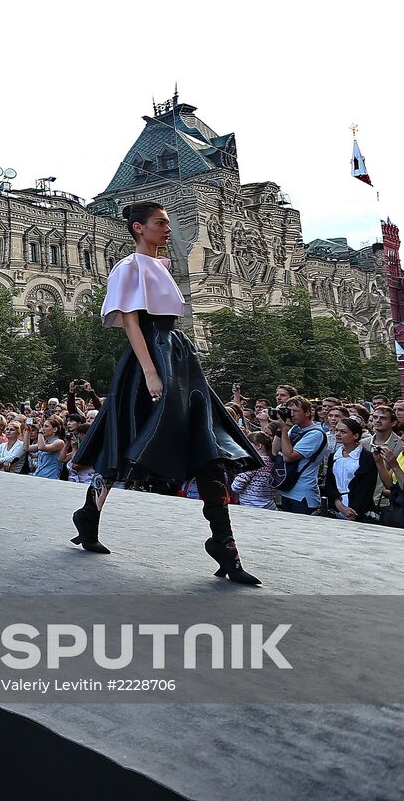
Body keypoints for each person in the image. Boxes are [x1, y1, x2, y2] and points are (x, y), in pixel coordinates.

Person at [70, 202, 263, 584]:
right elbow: (129, 320)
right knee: (126, 442)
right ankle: (89, 514)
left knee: (206, 446)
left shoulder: (162, 266)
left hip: (179, 355)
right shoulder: (129, 266)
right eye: (160, 223)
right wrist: (149, 371)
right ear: (138, 227)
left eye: (168, 223)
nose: (167, 229)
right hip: (151, 360)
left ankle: (224, 546)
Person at [267, 397, 328, 515]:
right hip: (287, 490)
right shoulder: (295, 429)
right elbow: (275, 451)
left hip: (303, 495)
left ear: (307, 412)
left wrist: (284, 429)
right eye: (289, 411)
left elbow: (289, 457)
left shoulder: (316, 434)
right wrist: (280, 429)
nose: (291, 414)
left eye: (295, 411)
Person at [322, 417, 378, 522]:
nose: (338, 434)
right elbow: (330, 483)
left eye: (343, 432)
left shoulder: (366, 457)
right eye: (337, 430)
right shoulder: (334, 456)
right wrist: (339, 505)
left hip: (358, 510)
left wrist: (353, 510)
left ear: (355, 435)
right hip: (336, 508)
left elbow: (366, 487)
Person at [230, 432, 278, 509]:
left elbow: (236, 486)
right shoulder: (271, 462)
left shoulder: (253, 464)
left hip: (251, 505)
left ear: (259, 446)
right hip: (269, 505)